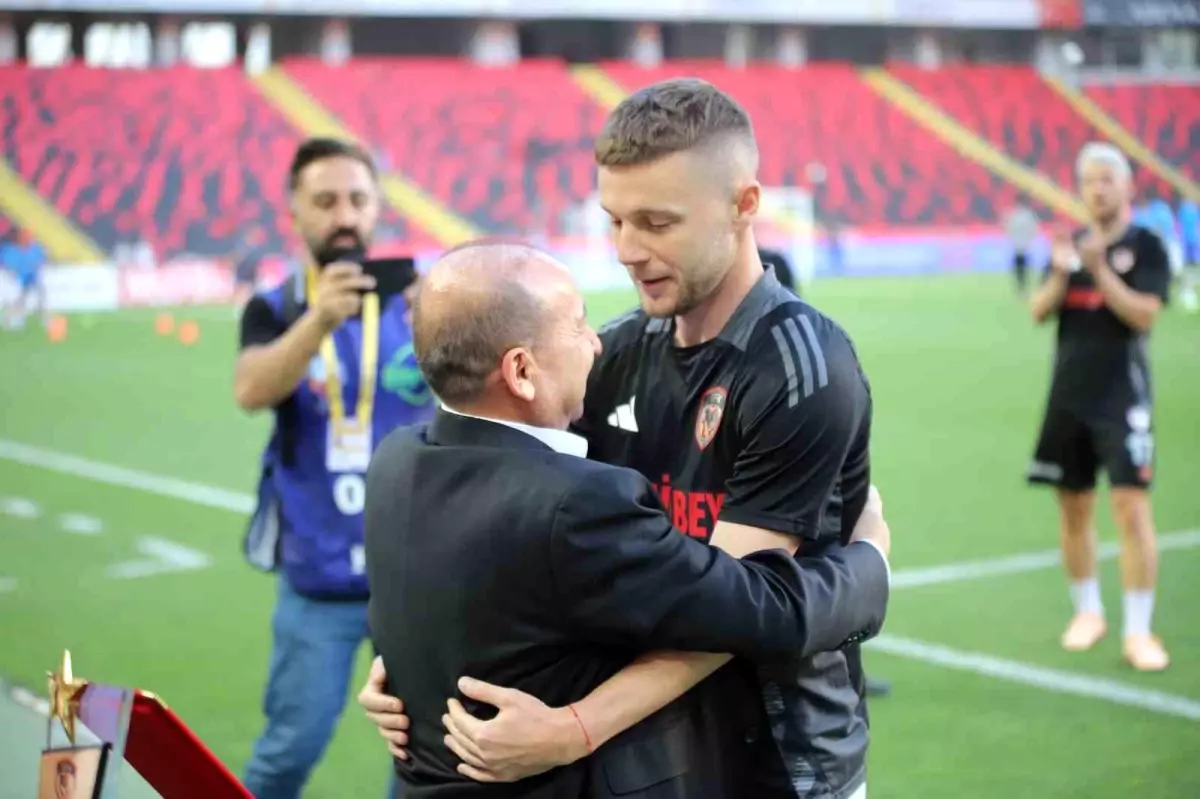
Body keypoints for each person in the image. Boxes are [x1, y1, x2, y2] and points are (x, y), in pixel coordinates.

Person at [362, 78, 884, 798]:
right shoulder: (613, 351)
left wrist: (576, 726)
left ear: (744, 206)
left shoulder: (799, 368)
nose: (626, 251)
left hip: (781, 759)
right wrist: (416, 666)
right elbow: (499, 504)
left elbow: (738, 612)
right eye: (614, 220)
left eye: (656, 222)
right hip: (655, 754)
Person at [234, 137, 435, 799]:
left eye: (356, 199)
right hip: (317, 578)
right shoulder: (277, 306)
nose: (343, 216)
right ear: (295, 211)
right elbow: (250, 389)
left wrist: (444, 320)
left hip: (413, 577)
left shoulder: (418, 298)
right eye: (325, 201)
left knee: (425, 756)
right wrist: (320, 319)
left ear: (377, 208)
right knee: (289, 748)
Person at [1027, 142, 1171, 672]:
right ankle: (1088, 612)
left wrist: (1100, 271)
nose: (1098, 189)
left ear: (1127, 186)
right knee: (1073, 507)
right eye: (1089, 181)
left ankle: (1139, 630)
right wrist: (1061, 272)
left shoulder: (1146, 245)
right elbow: (1038, 311)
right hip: (1069, 396)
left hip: (1123, 398)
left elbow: (1145, 315)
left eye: (1107, 179)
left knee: (1131, 507)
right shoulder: (1072, 246)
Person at [1, 229, 47, 331]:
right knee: (19, 300)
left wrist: (37, 266)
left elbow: (41, 260)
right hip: (21, 280)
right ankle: (10, 319)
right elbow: (10, 265)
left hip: (32, 278)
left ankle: (42, 317)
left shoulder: (35, 249)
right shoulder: (14, 251)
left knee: (40, 296)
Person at [1005, 197, 1040, 297]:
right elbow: (1034, 230)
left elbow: (1008, 229)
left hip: (1019, 247)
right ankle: (1023, 289)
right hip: (1024, 247)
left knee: (1020, 271)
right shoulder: (1028, 215)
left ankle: (1021, 289)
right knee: (1023, 270)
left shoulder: (1015, 215)